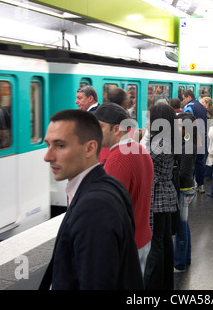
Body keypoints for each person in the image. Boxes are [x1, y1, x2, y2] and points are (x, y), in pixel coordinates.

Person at [40, 109, 143, 290]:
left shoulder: (95, 207)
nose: (47, 156)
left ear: (90, 148)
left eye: (60, 145)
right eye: (48, 145)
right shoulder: (108, 184)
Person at [94, 102, 154, 278]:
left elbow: (109, 212)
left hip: (125, 245)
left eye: (100, 127)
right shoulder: (140, 150)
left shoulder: (116, 160)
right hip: (142, 238)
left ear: (117, 129)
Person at [144, 103, 179, 290]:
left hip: (158, 197)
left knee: (155, 244)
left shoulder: (159, 142)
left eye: (150, 118)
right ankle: (166, 284)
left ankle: (150, 286)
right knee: (165, 241)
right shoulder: (169, 138)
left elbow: (146, 162)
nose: (148, 121)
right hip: (166, 195)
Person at [173, 111, 197, 272]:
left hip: (184, 189)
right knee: (184, 224)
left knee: (181, 226)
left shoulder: (188, 146)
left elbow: (184, 173)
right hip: (186, 188)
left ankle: (179, 263)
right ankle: (185, 258)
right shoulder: (186, 143)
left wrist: (172, 172)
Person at [182, 90, 207, 194]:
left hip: (192, 139)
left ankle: (190, 184)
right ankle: (201, 185)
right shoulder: (202, 106)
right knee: (200, 163)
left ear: (188, 97)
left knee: (190, 163)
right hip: (202, 137)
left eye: (184, 98)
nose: (183, 100)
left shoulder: (188, 107)